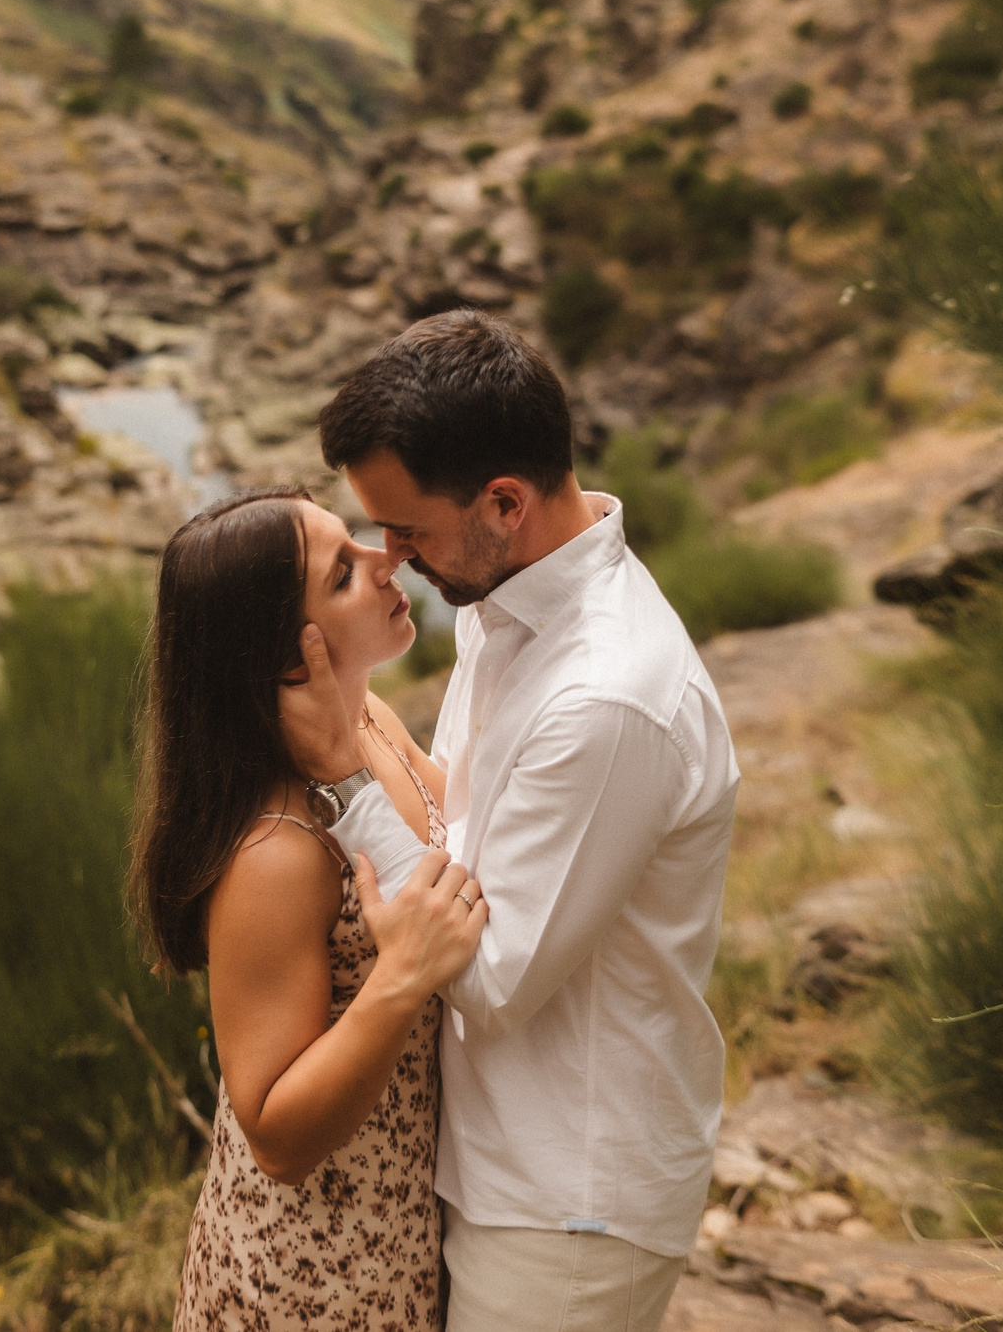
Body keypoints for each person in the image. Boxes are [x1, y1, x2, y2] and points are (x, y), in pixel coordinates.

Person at [283, 310, 739, 1332]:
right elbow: (468, 841)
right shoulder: (506, 601)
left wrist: (344, 776)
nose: (392, 558)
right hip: (499, 1164)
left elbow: (489, 977)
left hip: (565, 1197)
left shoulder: (606, 696)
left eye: (409, 528)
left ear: (504, 501)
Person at [135, 486, 488, 1332]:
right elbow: (275, 1135)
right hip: (306, 1285)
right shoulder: (279, 851)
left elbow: (467, 863)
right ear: (292, 659)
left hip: (394, 1238)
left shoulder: (367, 722)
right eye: (344, 572)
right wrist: (400, 978)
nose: (387, 556)